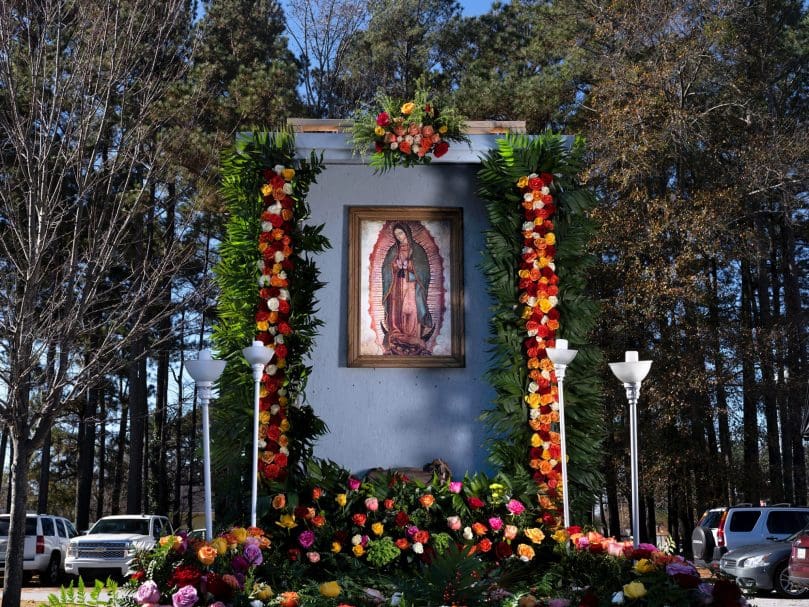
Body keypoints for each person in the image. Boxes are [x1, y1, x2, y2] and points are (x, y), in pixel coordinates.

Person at [380, 222, 434, 355]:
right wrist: (395, 266)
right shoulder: (393, 250)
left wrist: (410, 265)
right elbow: (386, 268)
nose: (399, 236)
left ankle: (412, 336)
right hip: (397, 285)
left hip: (411, 285)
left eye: (401, 233)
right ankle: (397, 335)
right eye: (396, 234)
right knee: (396, 310)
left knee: (410, 309)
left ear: (407, 233)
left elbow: (424, 270)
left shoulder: (418, 250)